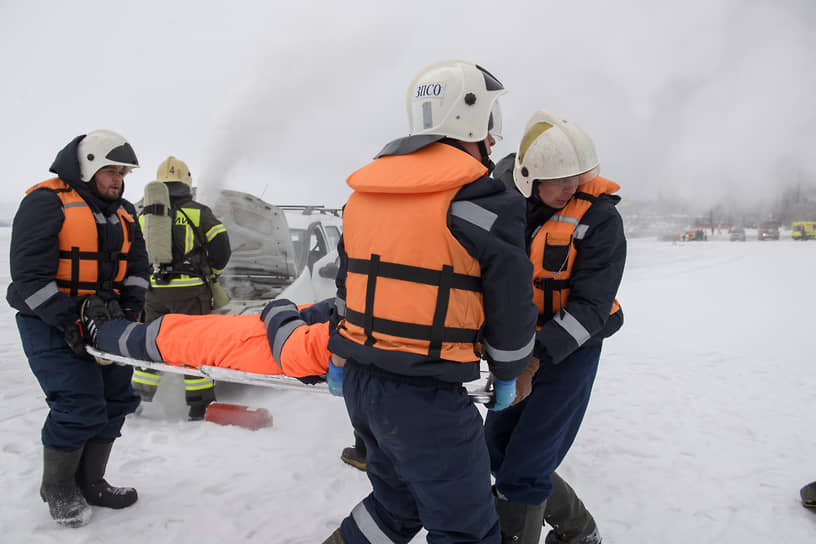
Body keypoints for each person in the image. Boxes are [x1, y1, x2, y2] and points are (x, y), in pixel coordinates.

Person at [322, 60, 538, 544]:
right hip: (427, 396)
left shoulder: (364, 196)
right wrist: (508, 372)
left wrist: (339, 358)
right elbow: (511, 305)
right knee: (467, 530)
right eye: (490, 126)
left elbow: (346, 291)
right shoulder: (484, 201)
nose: (494, 141)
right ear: (470, 120)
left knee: (395, 506)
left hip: (362, 386)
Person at [485, 110, 626, 544]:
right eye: (562, 179)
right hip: (517, 348)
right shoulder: (504, 203)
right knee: (497, 449)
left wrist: (536, 358)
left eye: (580, 177)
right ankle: (580, 530)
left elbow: (591, 306)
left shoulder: (600, 221)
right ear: (530, 178)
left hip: (570, 351)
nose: (573, 186)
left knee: (526, 466)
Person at [6, 130, 150, 527]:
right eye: (110, 170)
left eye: (122, 172)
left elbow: (138, 268)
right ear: (87, 166)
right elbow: (28, 275)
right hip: (49, 321)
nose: (118, 179)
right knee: (77, 404)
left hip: (109, 321)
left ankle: (92, 481)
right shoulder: (45, 202)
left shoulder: (124, 211)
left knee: (117, 399)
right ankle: (57, 488)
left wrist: (130, 311)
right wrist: (69, 321)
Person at [131, 156, 231, 421]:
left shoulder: (144, 215)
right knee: (194, 345)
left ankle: (137, 400)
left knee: (152, 343)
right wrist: (213, 274)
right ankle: (199, 406)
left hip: (154, 292)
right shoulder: (198, 211)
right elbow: (221, 247)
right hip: (191, 292)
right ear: (187, 183)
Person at [86, 297, 335, 378]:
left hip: (268, 345)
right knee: (187, 331)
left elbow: (296, 352)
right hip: (272, 333)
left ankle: (106, 333)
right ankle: (115, 331)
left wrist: (280, 308)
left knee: (185, 338)